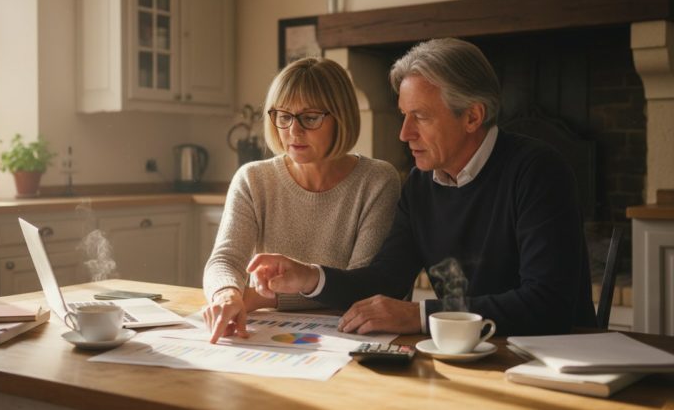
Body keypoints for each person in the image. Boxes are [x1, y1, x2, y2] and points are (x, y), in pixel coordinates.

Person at [247, 38, 596, 337]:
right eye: (403, 115)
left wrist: (420, 316)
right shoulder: (420, 184)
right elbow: (383, 281)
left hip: (547, 363)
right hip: (459, 355)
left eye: (421, 117)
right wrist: (308, 277)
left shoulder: (539, 171)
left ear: (473, 117)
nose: (404, 133)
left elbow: (548, 304)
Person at [202, 57, 401, 343]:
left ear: (341, 116)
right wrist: (227, 294)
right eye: (283, 116)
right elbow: (225, 260)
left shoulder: (377, 180)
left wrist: (260, 298)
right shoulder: (253, 179)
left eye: (310, 118)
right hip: (274, 337)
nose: (293, 131)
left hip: (347, 340)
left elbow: (363, 288)